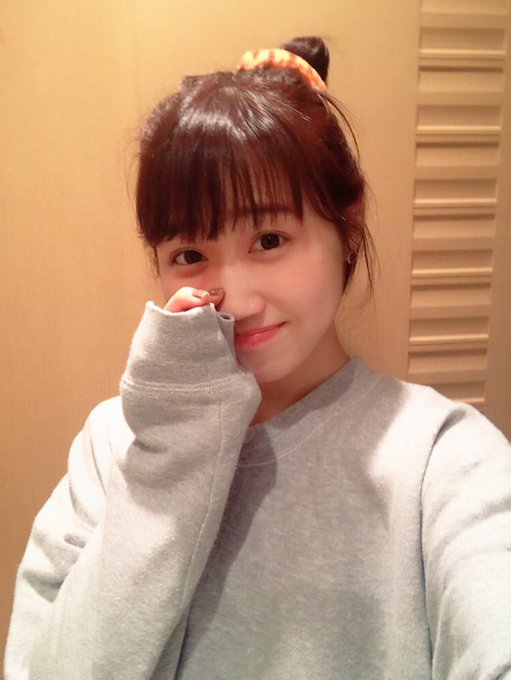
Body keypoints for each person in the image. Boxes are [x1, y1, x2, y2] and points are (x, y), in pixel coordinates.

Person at [4, 36, 511, 680]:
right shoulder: (113, 446)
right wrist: (175, 448)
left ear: (347, 226)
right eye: (190, 255)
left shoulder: (443, 458)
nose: (237, 302)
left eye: (270, 239)